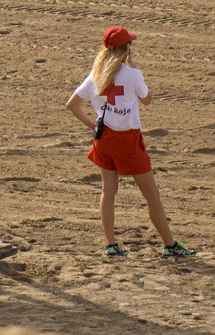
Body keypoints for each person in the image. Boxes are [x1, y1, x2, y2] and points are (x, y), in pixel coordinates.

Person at [64, 26, 194, 259]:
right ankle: (170, 245)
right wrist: (132, 68)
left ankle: (111, 245)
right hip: (127, 140)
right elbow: (147, 100)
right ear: (126, 49)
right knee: (151, 195)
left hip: (103, 139)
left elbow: (72, 104)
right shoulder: (133, 75)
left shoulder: (95, 75)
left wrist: (93, 126)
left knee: (108, 191)